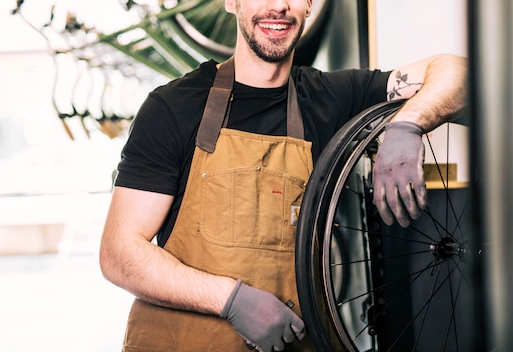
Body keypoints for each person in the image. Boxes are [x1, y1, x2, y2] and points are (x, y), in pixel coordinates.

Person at [99, 0, 467, 350]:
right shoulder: (173, 107)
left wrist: (408, 124)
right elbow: (119, 253)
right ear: (232, 2)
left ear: (309, 4)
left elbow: (459, 72)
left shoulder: (331, 98)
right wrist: (231, 299)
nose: (277, 6)